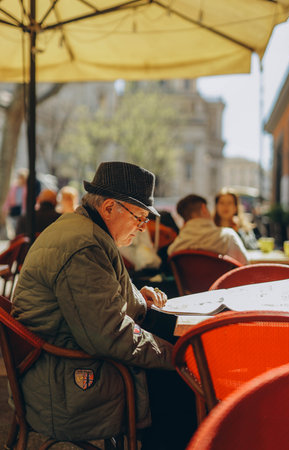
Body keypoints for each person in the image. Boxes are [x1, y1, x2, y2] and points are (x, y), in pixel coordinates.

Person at [12, 162, 195, 450]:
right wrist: (177, 356)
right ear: (109, 208)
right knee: (185, 383)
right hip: (65, 383)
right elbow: (109, 334)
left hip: (63, 364)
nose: (142, 228)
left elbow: (99, 296)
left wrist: (136, 297)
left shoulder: (84, 230)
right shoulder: (83, 245)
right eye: (140, 218)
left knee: (179, 358)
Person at [167, 194, 249, 265]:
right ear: (204, 208)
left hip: (192, 283)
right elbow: (244, 267)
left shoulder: (174, 248)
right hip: (222, 283)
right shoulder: (228, 237)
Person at [2, 168, 28, 237]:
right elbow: (8, 198)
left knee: (20, 227)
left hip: (22, 209)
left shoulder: (26, 188)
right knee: (13, 227)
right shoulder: (14, 187)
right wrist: (5, 208)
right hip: (14, 209)